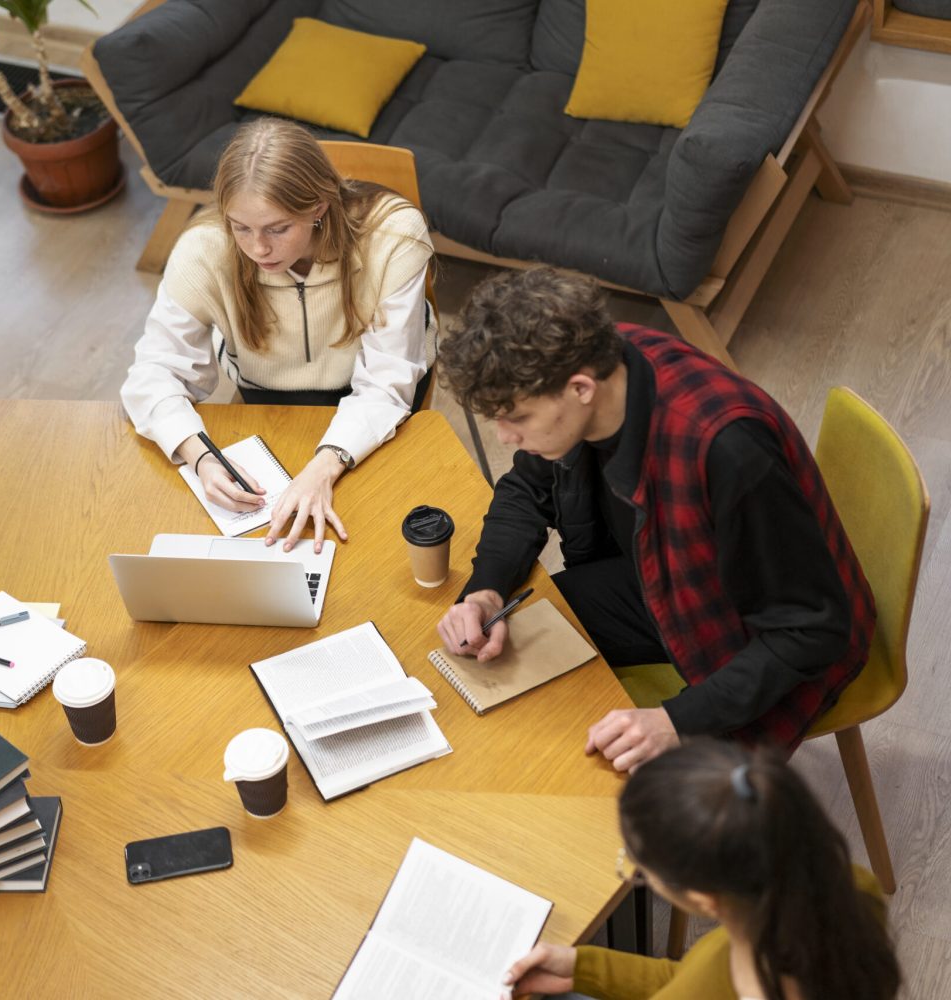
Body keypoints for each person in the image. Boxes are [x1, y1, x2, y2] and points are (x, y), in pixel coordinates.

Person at [435, 267, 875, 769]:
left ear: (580, 388)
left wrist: (675, 720)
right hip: (661, 575)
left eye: (516, 418)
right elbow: (525, 489)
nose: (505, 436)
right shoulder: (600, 365)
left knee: (631, 793)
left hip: (759, 632)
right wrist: (487, 590)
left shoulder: (727, 449)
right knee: (510, 654)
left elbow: (813, 631)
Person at [121, 118, 436, 552]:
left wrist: (324, 467)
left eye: (277, 228)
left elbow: (387, 382)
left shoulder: (393, 235)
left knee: (371, 542)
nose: (257, 249)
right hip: (265, 399)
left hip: (380, 406)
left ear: (319, 206)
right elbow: (153, 373)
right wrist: (200, 456)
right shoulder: (203, 248)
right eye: (240, 227)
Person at [504, 739, 901, 1000]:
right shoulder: (852, 890)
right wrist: (582, 966)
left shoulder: (715, 971)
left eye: (640, 868)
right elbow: (692, 983)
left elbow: (693, 988)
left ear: (702, 899)